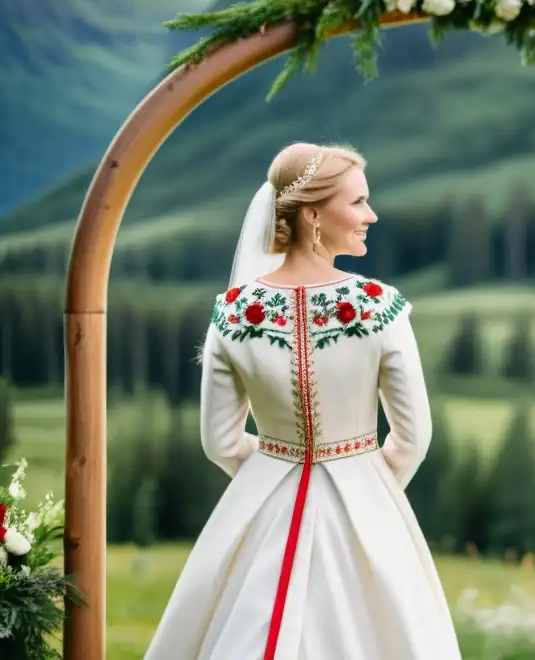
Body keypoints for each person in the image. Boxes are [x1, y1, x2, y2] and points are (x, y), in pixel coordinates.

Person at [144, 142, 462, 659]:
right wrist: (363, 487)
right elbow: (413, 439)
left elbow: (220, 443)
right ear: (313, 215)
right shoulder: (379, 309)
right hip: (365, 500)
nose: (371, 215)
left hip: (264, 501)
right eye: (358, 202)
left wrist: (275, 476)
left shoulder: (232, 313)